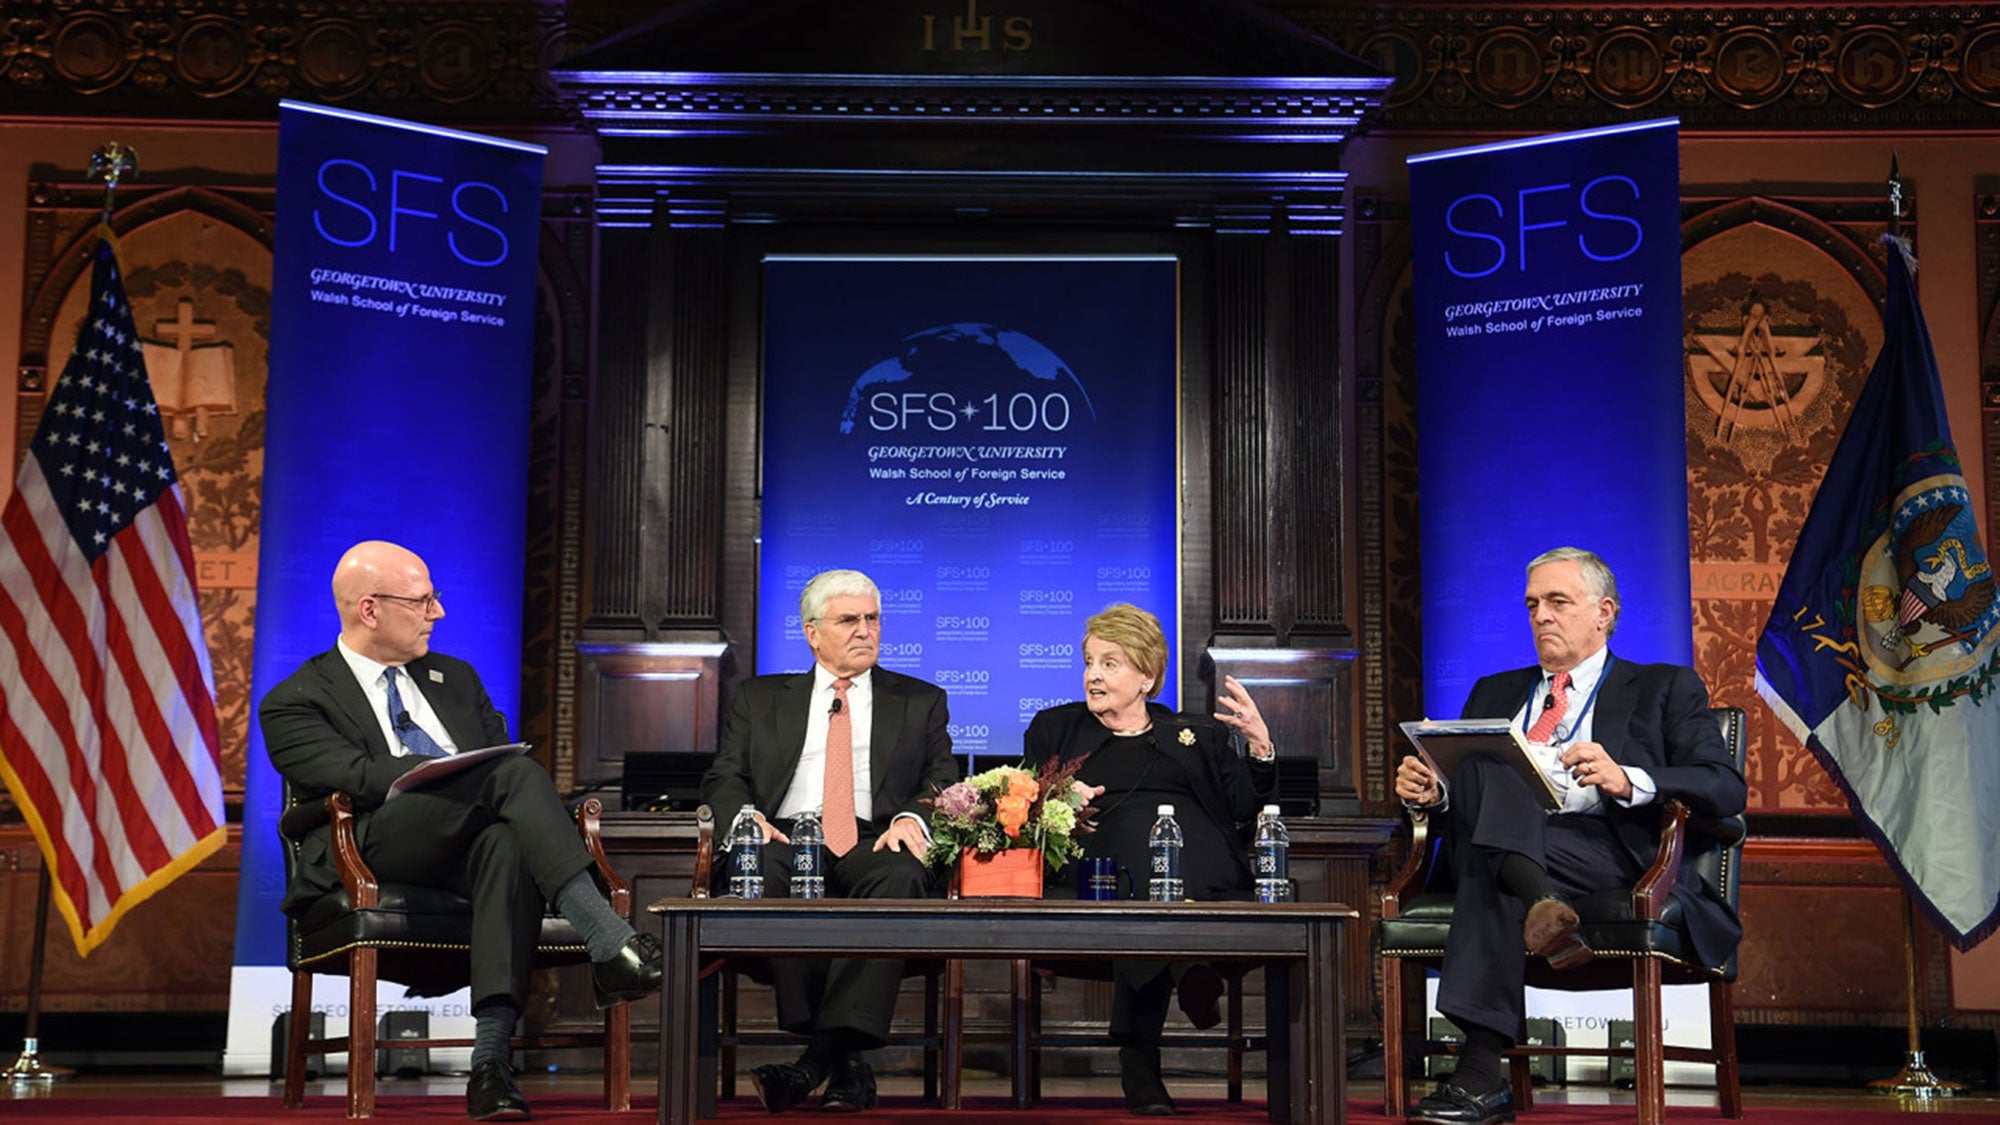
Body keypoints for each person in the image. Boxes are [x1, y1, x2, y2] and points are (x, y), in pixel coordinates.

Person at [261, 540, 662, 1122]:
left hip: (470, 841)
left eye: (435, 599)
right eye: (423, 602)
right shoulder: (296, 700)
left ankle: (490, 1065)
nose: (438, 614)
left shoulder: (455, 678)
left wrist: (479, 776)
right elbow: (360, 777)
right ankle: (605, 935)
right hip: (379, 844)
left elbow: (499, 779)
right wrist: (451, 773)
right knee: (512, 774)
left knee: (505, 842)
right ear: (369, 609)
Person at [1394, 547, 1747, 1125]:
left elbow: (1725, 788)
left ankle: (1482, 1072)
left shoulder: (1663, 687)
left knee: (1490, 856)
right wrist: (1436, 793)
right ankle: (1538, 903)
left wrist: (1626, 778)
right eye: (1533, 604)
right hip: (1508, 842)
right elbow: (1467, 791)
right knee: (1484, 770)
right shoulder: (1494, 691)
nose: (1541, 616)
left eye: (1558, 602)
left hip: (1603, 848)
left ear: (1604, 612)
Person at [700, 568, 959, 1113]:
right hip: (786, 835)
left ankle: (814, 1062)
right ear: (813, 632)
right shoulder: (760, 698)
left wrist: (914, 816)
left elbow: (941, 777)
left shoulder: (920, 700)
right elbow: (725, 777)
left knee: (903, 873)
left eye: (872, 619)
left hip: (874, 839)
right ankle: (845, 1065)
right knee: (772, 871)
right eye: (849, 620)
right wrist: (746, 817)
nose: (866, 630)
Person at [1021, 603, 1278, 1117]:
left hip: (1204, 877)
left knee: (1169, 846)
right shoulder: (1057, 730)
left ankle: (1142, 1058)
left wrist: (1261, 749)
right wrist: (1064, 805)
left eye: (1110, 663)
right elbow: (1024, 810)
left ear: (1147, 676)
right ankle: (1190, 973)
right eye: (1090, 661)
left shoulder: (1196, 735)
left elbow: (1245, 812)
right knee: (1141, 842)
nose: (1093, 674)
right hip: (1101, 875)